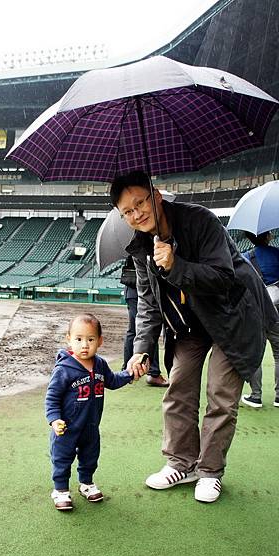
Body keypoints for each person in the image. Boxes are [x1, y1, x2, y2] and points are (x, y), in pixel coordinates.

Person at [110, 170, 277, 503]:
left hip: (232, 316)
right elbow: (148, 304)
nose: (136, 214)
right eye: (127, 211)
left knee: (220, 393)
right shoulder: (141, 248)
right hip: (188, 326)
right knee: (179, 387)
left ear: (156, 196)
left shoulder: (201, 221)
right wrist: (142, 350)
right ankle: (181, 463)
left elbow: (223, 275)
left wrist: (176, 266)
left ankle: (210, 471)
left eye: (140, 202)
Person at [45, 312, 133, 511]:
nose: (84, 345)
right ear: (69, 339)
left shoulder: (100, 364)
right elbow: (52, 398)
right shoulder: (64, 369)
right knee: (62, 458)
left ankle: (86, 483)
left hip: (91, 425)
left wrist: (129, 374)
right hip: (66, 428)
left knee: (90, 456)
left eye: (90, 339)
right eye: (78, 339)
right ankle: (60, 490)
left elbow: (112, 381)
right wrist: (54, 420)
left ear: (100, 341)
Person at [241, 231, 279, 408]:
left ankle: (256, 396)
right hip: (277, 309)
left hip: (256, 310)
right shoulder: (277, 254)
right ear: (269, 235)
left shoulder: (246, 258)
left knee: (256, 353)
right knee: (278, 353)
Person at [121, 255, 168, 387]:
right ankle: (152, 373)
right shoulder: (141, 246)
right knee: (148, 328)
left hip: (133, 291)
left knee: (134, 330)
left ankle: (128, 370)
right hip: (139, 290)